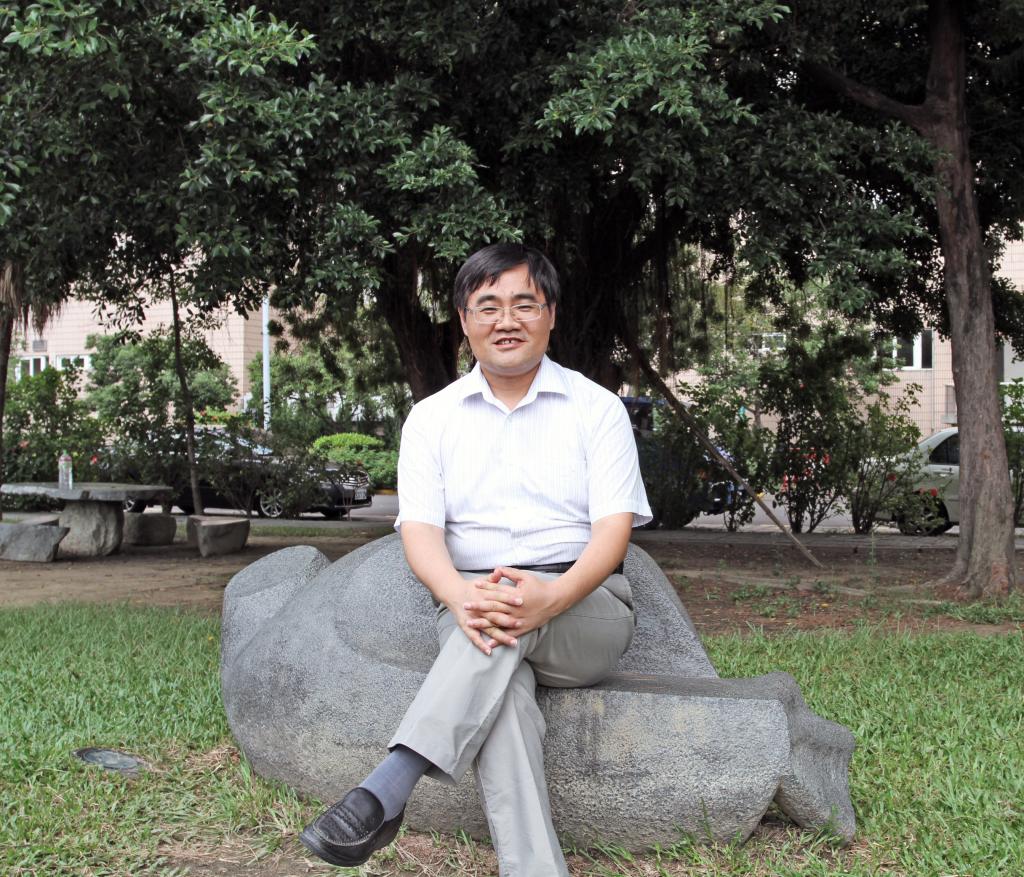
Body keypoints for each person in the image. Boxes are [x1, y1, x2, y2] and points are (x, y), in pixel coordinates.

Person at [299, 243, 651, 876]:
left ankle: (388, 786)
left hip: (584, 610)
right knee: (504, 698)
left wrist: (553, 595)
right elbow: (421, 534)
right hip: (470, 604)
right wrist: (459, 595)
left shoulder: (597, 409)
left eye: (524, 304)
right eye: (488, 306)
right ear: (464, 320)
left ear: (551, 315)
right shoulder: (431, 419)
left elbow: (612, 533)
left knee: (497, 629)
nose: (505, 321)